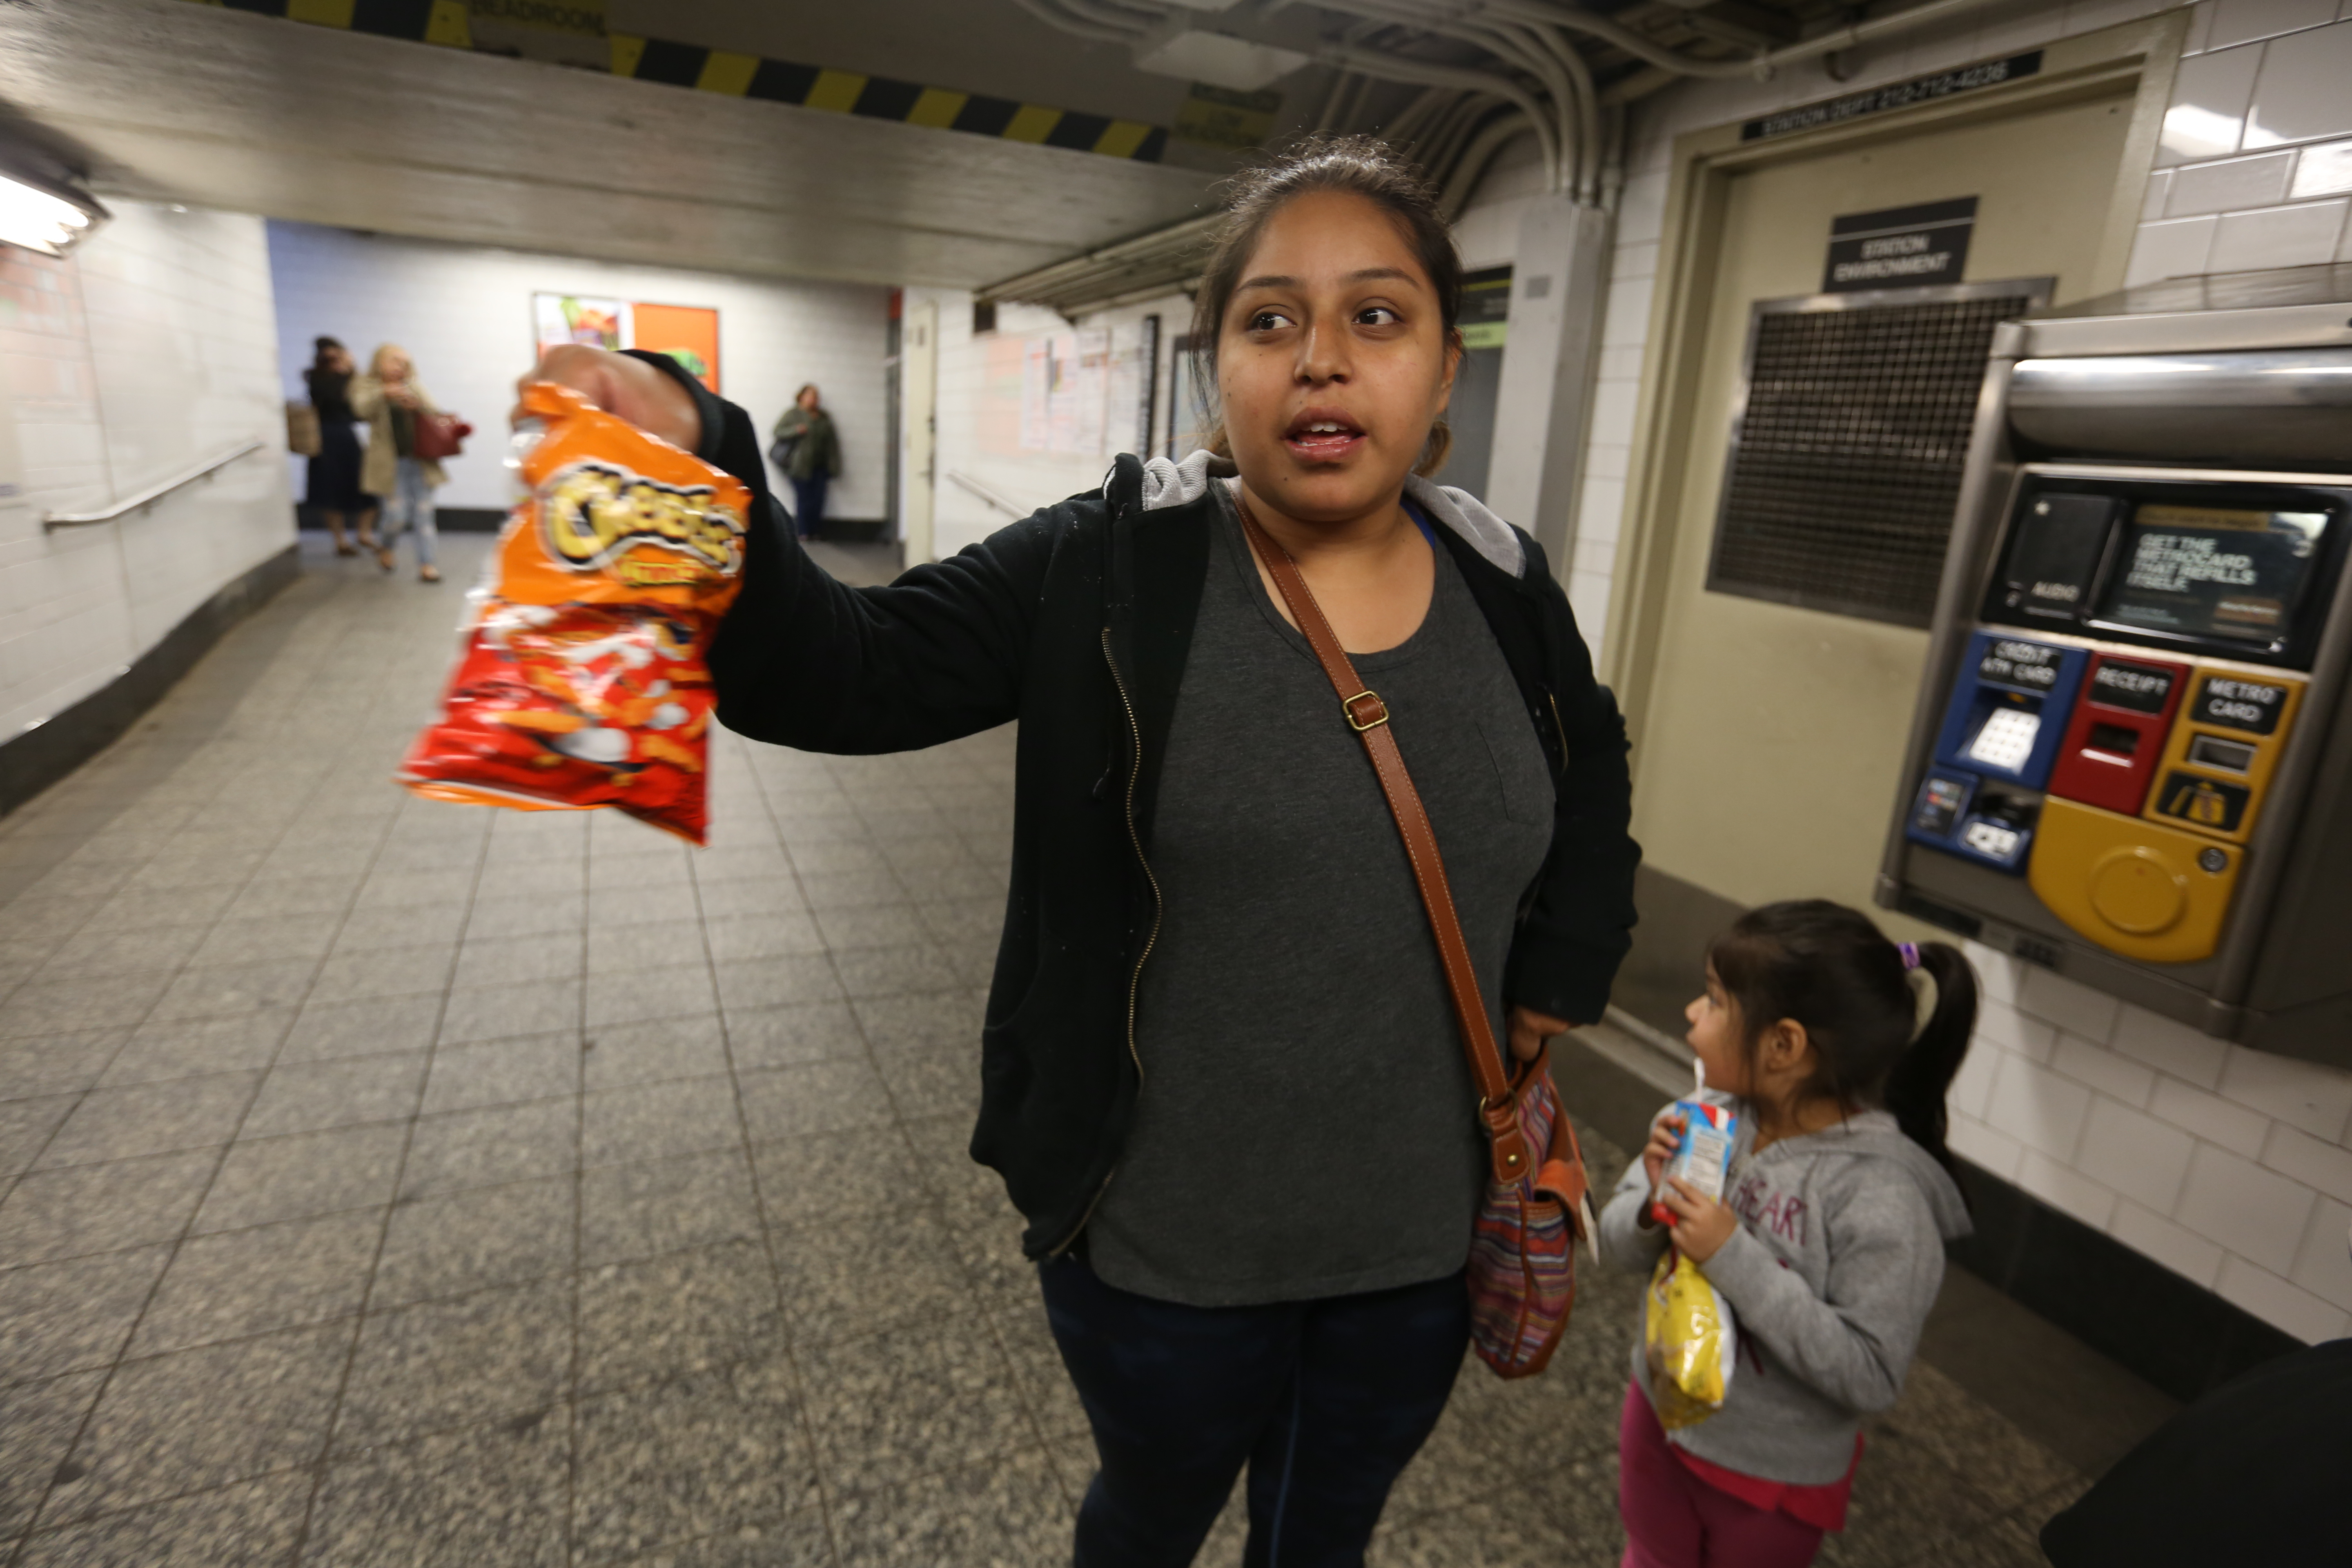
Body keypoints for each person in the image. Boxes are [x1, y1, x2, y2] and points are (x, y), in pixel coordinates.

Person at [514, 136, 1639, 1566]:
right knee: (1154, 1513)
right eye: (1270, 320)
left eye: (1377, 315)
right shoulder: (1114, 562)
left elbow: (1587, 756)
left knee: (1329, 1527)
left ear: (1442, 371)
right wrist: (698, 450)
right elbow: (844, 674)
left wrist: (1572, 952)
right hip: (1166, 1243)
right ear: (1213, 370)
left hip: (1421, 1235)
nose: (1321, 360)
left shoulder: (1502, 574)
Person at [1599, 901, 1978, 1568]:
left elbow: (1871, 1372)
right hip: (1658, 1414)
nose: (1692, 1013)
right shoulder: (1700, 1117)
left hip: (1769, 1476)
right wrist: (1650, 1203)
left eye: (1715, 1001)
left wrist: (1730, 1257)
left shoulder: (1882, 1198)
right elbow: (1613, 1248)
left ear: (1784, 1046)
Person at [350, 343, 447, 583]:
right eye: (394, 361)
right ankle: (387, 547)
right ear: (379, 362)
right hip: (390, 465)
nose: (399, 367)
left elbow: (437, 414)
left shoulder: (414, 387)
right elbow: (360, 410)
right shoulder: (367, 386)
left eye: (404, 363)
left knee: (425, 516)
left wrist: (418, 407)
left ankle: (428, 564)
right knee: (396, 516)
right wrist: (384, 394)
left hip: (421, 462)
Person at [302, 337, 373, 556]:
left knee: (367, 488)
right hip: (325, 438)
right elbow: (333, 397)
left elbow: (359, 405)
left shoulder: (354, 378)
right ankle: (340, 540)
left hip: (348, 436)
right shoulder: (316, 377)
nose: (336, 360)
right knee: (329, 492)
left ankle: (364, 533)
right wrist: (345, 371)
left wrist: (351, 370)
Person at [769, 383, 840, 539]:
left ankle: (815, 531)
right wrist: (796, 430)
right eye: (810, 396)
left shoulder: (823, 417)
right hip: (799, 466)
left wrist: (834, 466)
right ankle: (804, 532)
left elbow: (832, 443)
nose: (813, 400)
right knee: (804, 499)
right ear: (801, 397)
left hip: (820, 465)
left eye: (816, 397)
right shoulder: (793, 414)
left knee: (818, 499)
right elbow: (777, 432)